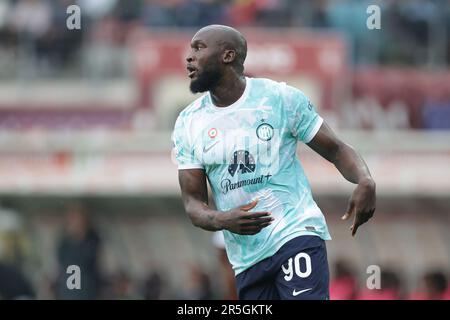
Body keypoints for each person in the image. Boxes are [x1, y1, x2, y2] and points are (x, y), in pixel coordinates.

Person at [171, 25, 376, 300]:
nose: (189, 57)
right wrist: (224, 219)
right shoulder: (188, 122)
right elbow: (193, 204)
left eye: (198, 48)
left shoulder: (279, 98)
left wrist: (365, 179)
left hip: (295, 233)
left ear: (228, 55)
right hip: (247, 259)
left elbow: (337, 149)